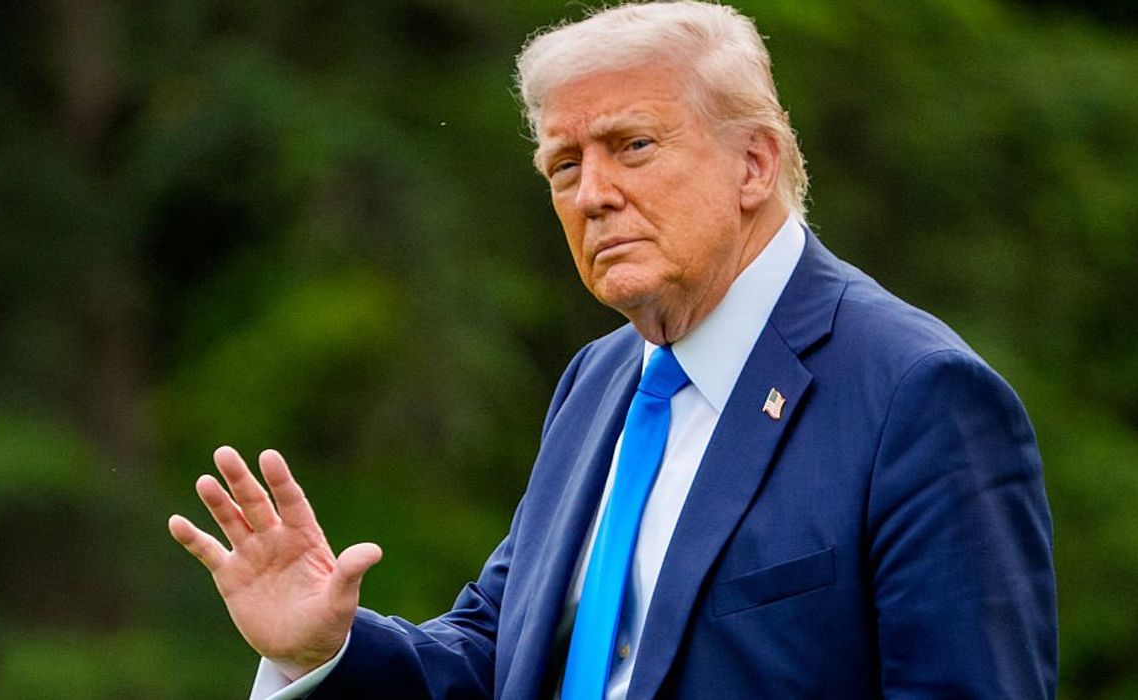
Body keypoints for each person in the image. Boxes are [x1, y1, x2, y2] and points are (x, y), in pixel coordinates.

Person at [168, 2, 1058, 698]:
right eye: (563, 166)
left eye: (631, 146)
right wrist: (327, 649)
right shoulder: (599, 380)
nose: (592, 194)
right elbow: (498, 654)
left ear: (754, 163)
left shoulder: (917, 393)